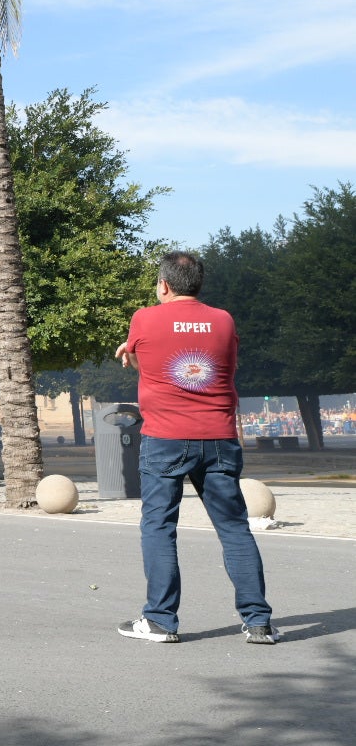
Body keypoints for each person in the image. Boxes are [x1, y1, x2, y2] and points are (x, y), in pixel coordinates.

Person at [113, 251, 279, 645]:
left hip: (165, 438)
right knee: (234, 528)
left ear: (163, 285)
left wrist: (134, 350)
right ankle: (258, 623)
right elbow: (226, 368)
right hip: (218, 437)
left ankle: (160, 621)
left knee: (159, 526)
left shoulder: (144, 318)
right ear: (198, 285)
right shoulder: (223, 320)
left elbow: (143, 365)